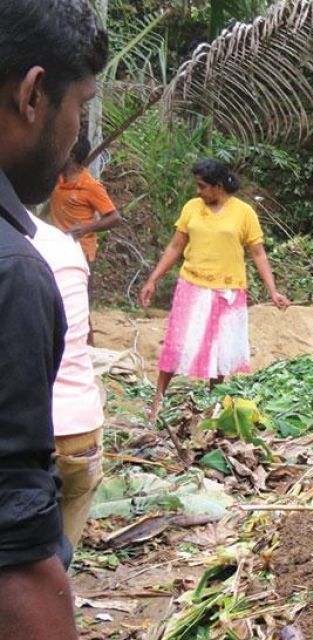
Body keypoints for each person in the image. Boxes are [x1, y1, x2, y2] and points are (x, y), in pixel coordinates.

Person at [0, 1, 108, 637]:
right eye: (81, 105)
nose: (75, 133)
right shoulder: (15, 272)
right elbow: (15, 563)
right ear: (34, 94)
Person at [140, 160, 290, 422]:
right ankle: (157, 405)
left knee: (217, 352)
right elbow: (175, 246)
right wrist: (153, 279)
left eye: (202, 186)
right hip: (192, 286)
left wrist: (273, 291)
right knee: (176, 346)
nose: (198, 191)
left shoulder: (244, 213)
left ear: (218, 186)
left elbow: (258, 254)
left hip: (227, 290)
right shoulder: (191, 208)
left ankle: (213, 408)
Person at [29, 215, 106, 549]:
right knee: (59, 556)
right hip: (80, 426)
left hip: (29, 432)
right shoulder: (63, 245)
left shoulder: (13, 248)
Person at [48, 134, 120, 262]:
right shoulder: (58, 178)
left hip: (80, 253)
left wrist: (86, 229)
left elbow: (114, 218)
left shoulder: (90, 186)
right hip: (58, 248)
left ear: (72, 156)